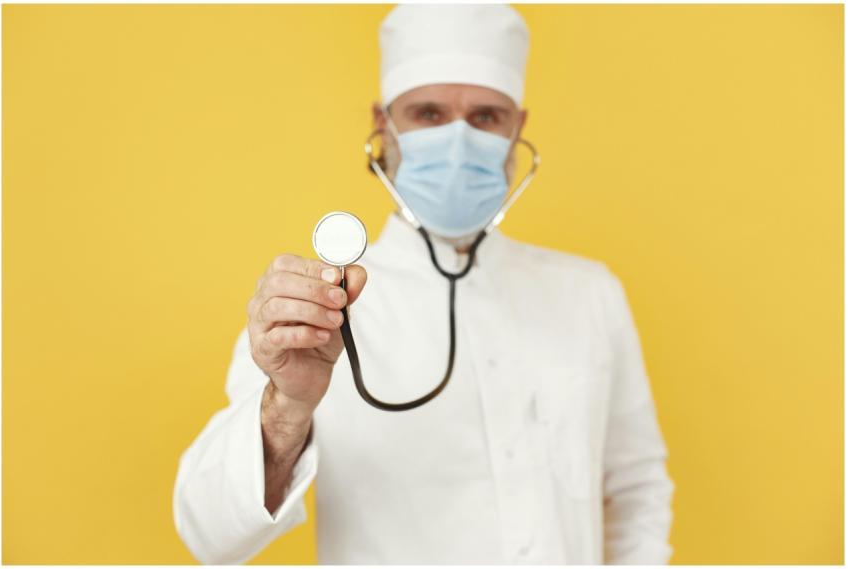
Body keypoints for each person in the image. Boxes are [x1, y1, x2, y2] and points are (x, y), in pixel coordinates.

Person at [173, 4, 675, 565]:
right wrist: (287, 405)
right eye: (429, 113)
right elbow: (209, 534)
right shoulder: (318, 308)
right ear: (383, 124)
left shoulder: (589, 294)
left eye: (485, 116)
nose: (458, 140)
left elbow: (637, 493)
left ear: (516, 129)